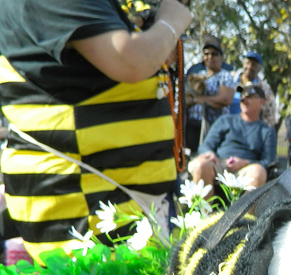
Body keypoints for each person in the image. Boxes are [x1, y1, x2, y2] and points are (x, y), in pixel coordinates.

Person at [0, 0, 192, 261]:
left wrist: (152, 34)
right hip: (92, 218)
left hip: (116, 205)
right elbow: (130, 61)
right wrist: (172, 20)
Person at [188, 84, 276, 196]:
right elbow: (206, 145)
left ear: (261, 102)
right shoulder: (225, 120)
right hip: (219, 163)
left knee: (259, 171)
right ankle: (204, 212)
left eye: (249, 96)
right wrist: (210, 153)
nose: (244, 99)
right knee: (202, 164)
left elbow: (268, 161)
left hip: (246, 169)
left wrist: (245, 162)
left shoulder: (267, 131)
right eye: (242, 95)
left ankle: (245, 213)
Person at [185, 35, 235, 154]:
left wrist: (197, 99)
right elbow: (186, 97)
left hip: (214, 126)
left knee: (209, 156)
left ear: (221, 57)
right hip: (193, 125)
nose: (210, 57)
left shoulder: (225, 76)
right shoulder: (198, 75)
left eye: (214, 54)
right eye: (206, 54)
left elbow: (225, 99)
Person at [229, 51, 278, 129]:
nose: (250, 67)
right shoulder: (230, 79)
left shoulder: (264, 88)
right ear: (243, 64)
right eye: (248, 63)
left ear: (259, 69)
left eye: (254, 65)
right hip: (229, 125)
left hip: (251, 128)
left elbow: (270, 113)